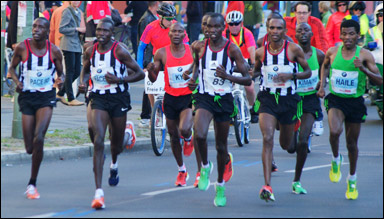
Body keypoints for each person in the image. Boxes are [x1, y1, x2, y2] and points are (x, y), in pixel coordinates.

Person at [79, 17, 145, 209]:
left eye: (106, 31)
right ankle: (99, 192)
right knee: (98, 138)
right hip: (98, 97)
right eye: (99, 30)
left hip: (118, 99)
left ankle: (117, 156)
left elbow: (139, 73)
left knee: (116, 145)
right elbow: (84, 70)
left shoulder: (120, 51)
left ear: (112, 33)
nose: (101, 34)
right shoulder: (90, 50)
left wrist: (119, 79)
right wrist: (83, 83)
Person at [187, 13, 252, 207]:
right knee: (198, 134)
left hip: (224, 99)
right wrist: (193, 80)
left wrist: (228, 76)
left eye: (215, 27)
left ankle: (221, 186)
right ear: (203, 27)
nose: (211, 30)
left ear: (222, 27)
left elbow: (248, 79)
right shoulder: (198, 46)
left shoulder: (232, 49)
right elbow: (197, 66)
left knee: (221, 147)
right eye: (207, 26)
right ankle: (205, 167)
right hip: (204, 97)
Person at [317, 19, 382, 200]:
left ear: (358, 36)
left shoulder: (365, 55)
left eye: (351, 34)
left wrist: (363, 70)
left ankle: (352, 178)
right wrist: (322, 85)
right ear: (340, 35)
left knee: (352, 144)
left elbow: (379, 80)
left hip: (355, 102)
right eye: (344, 34)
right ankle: (336, 159)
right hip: (337, 100)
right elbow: (325, 65)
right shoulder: (332, 51)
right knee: (335, 131)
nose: (347, 37)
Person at [253, 16, 311, 202]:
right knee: (267, 137)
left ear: (285, 30)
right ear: (267, 29)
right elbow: (255, 72)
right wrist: (246, 73)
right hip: (268, 99)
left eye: (279, 28)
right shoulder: (260, 52)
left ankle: (292, 126)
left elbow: (307, 72)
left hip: (288, 101)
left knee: (288, 146)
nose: (275, 31)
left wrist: (291, 75)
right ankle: (267, 185)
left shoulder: (293, 49)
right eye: (272, 28)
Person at [8, 17, 64, 199]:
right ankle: (33, 152)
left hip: (46, 97)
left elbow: (61, 75)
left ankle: (32, 183)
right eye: (34, 26)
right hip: (27, 97)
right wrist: (17, 82)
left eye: (41, 27)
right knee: (29, 147)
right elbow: (12, 69)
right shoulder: (22, 48)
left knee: (39, 137)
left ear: (47, 32)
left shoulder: (54, 51)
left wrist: (60, 81)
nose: (36, 29)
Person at [146, 22, 202, 187]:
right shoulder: (161, 53)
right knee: (173, 135)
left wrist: (194, 80)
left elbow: (199, 67)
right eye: (173, 31)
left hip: (187, 97)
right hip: (170, 98)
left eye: (179, 31)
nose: (176, 34)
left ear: (184, 34)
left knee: (184, 129)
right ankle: (182, 170)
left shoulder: (192, 51)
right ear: (169, 34)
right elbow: (154, 78)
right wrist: (150, 70)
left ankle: (189, 137)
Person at [290, 22, 325, 194]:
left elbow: (326, 73)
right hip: (291, 99)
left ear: (311, 34)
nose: (303, 33)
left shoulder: (319, 55)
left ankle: (297, 180)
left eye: (306, 30)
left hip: (310, 100)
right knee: (290, 147)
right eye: (299, 31)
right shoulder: (290, 55)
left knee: (302, 141)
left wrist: (321, 84)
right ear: (295, 35)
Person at [137, 2, 189, 110]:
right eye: (168, 19)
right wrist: (140, 67)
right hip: (158, 58)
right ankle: (154, 110)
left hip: (174, 59)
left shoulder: (177, 27)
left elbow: (187, 46)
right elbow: (141, 48)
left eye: (172, 18)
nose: (171, 22)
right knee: (151, 83)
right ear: (160, 17)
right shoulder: (150, 27)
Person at [223, 10, 258, 123]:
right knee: (227, 87)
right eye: (231, 24)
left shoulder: (247, 33)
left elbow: (252, 50)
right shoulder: (224, 34)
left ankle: (252, 108)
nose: (234, 26)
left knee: (250, 87)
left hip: (245, 62)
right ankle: (230, 110)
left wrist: (253, 65)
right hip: (230, 62)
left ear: (241, 23)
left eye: (236, 23)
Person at [56, 1, 86, 106]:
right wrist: (77, 29)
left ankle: (60, 93)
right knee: (70, 71)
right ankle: (71, 98)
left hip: (76, 45)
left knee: (77, 72)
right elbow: (62, 28)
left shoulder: (78, 11)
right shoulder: (67, 11)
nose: (76, 1)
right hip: (68, 45)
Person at [137, 1, 160, 128]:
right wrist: (141, 65)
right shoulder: (148, 20)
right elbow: (143, 44)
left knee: (152, 88)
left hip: (153, 58)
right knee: (149, 89)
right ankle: (146, 116)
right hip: (149, 59)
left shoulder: (151, 17)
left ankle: (149, 115)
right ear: (156, 4)